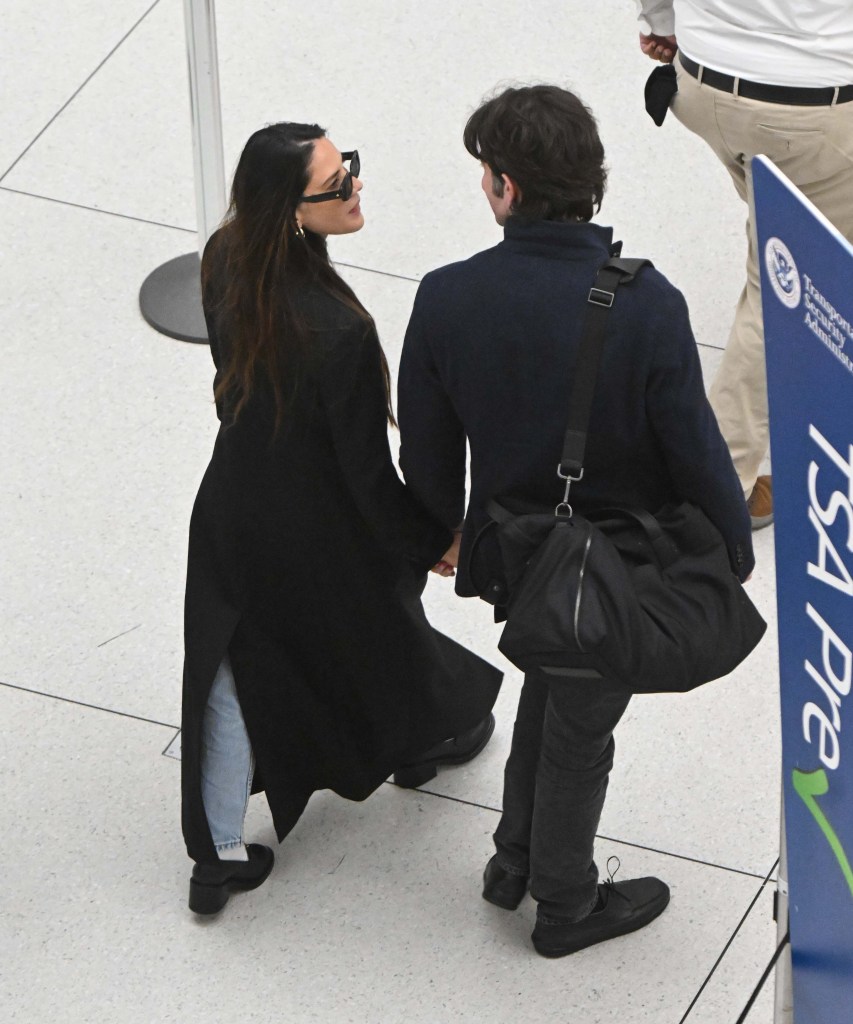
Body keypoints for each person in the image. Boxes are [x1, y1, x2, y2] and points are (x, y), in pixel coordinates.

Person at [397, 85, 754, 958]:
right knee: (581, 730)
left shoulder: (446, 299)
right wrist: (729, 551)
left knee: (552, 688)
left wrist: (436, 532)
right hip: (619, 565)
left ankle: (513, 860)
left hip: (520, 557)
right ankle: (564, 904)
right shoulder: (644, 302)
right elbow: (695, 449)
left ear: (506, 188)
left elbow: (430, 456)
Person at [181, 123, 502, 916]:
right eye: (334, 186)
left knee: (228, 670)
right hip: (318, 526)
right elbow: (363, 473)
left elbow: (231, 378)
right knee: (371, 632)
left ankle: (219, 852)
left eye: (347, 169)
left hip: (234, 507)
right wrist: (431, 537)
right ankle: (420, 738)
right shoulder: (339, 334)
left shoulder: (225, 257)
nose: (355, 189)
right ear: (289, 212)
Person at [636, 0, 853, 529]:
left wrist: (663, 21)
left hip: (708, 88)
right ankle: (719, 491)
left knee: (785, 227)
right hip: (809, 109)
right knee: (781, 279)